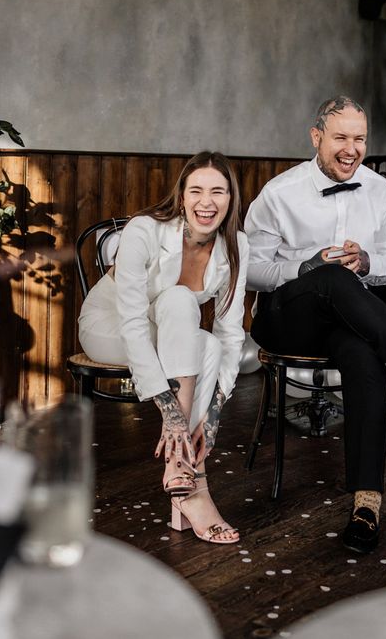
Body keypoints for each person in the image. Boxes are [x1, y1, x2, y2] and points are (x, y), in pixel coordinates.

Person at [244, 96, 386, 554]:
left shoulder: (380, 191)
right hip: (284, 318)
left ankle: (366, 503)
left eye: (359, 139)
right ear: (316, 137)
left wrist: (368, 263)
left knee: (363, 353)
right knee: (331, 275)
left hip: (347, 319)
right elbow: (252, 270)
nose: (351, 149)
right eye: (340, 138)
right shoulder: (279, 193)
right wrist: (307, 266)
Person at [78, 151, 248, 545]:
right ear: (182, 195)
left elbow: (231, 333)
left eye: (218, 192)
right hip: (110, 327)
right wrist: (171, 414)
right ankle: (195, 483)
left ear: (230, 198)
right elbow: (134, 323)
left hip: (166, 333)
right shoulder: (145, 229)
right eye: (197, 191)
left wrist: (215, 415)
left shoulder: (236, 243)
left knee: (203, 336)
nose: (207, 202)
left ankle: (181, 475)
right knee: (180, 303)